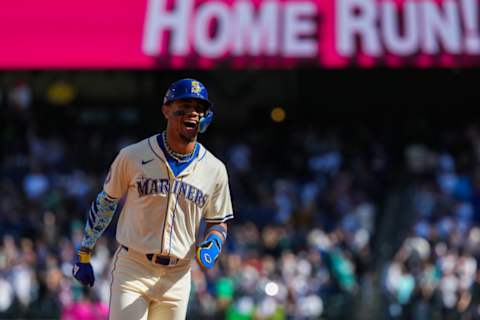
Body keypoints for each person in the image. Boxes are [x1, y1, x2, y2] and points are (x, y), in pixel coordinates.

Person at [72, 78, 234, 319]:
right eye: (185, 105)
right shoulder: (132, 156)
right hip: (134, 267)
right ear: (166, 109)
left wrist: (213, 243)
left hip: (177, 276)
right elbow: (106, 202)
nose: (192, 113)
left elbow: (218, 220)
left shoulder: (215, 169)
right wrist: (84, 252)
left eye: (199, 108)